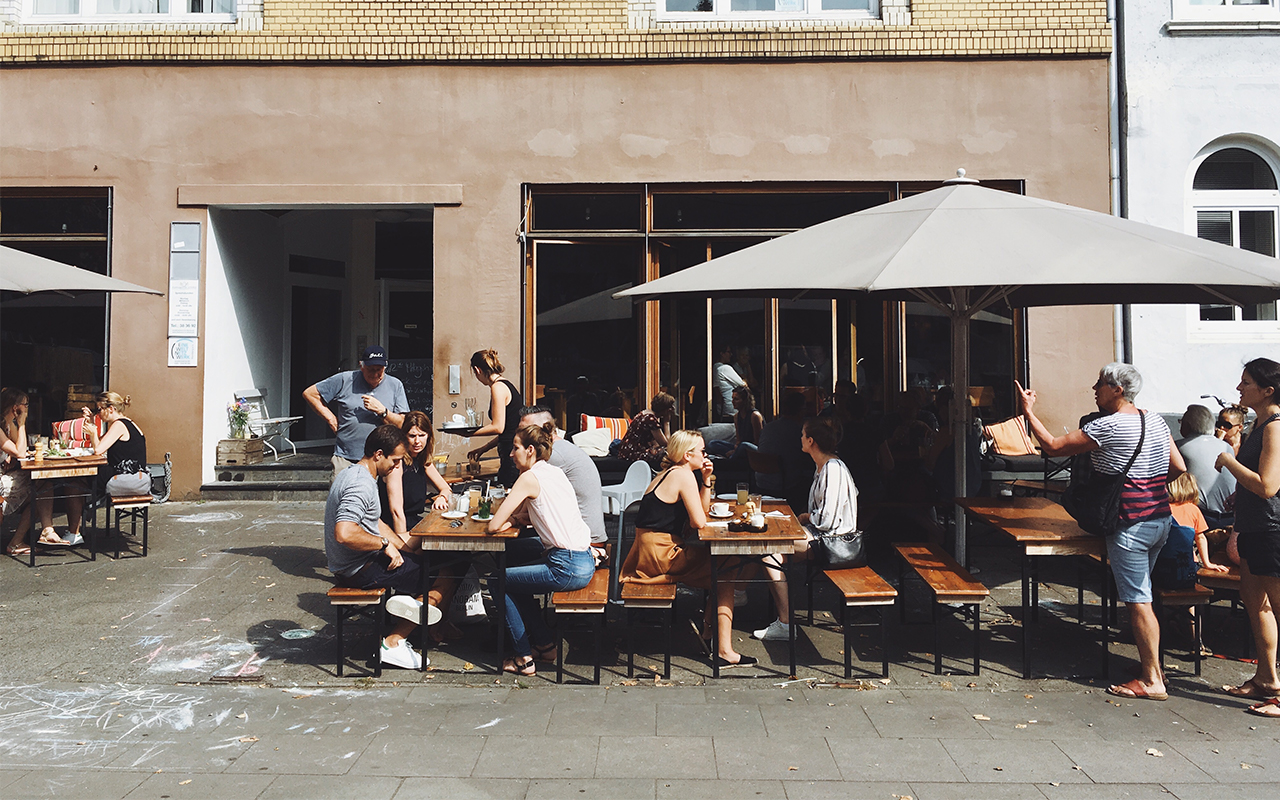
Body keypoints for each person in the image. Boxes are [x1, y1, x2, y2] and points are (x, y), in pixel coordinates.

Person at [1017, 364, 1185, 702]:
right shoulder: (1155, 420)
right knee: (1145, 595)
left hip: (1129, 525)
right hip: (1160, 520)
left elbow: (1052, 446)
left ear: (1117, 390)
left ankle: (1152, 680)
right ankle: (1153, 666)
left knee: (1138, 602)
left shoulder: (1107, 426)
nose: (1094, 389)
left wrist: (1028, 411)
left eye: (1100, 384)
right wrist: (1147, 487)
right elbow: (1179, 467)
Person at [619, 430, 756, 668]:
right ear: (687, 455)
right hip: (662, 554)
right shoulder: (682, 475)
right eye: (702, 451)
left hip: (649, 551)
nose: (706, 454)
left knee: (723, 566)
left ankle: (709, 633)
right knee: (726, 568)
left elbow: (700, 512)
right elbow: (699, 522)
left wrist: (706, 479)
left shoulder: (671, 472)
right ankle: (723, 649)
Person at [325, 424, 442, 670]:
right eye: (395, 460)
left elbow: (375, 522)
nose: (397, 466)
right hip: (357, 570)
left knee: (422, 558)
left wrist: (404, 547)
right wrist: (385, 544)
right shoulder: (361, 484)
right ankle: (394, 642)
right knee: (443, 574)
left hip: (356, 564)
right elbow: (344, 533)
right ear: (378, 454)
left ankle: (411, 610)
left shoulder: (353, 473)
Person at [485, 424, 595, 676]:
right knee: (514, 573)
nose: (511, 454)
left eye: (515, 448)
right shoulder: (555, 472)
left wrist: (510, 519)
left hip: (566, 565)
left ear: (530, 450)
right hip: (584, 559)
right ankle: (545, 645)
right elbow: (528, 514)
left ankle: (524, 658)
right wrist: (517, 518)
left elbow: (493, 526)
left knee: (497, 580)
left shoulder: (528, 478)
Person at [1212, 358, 1280, 716]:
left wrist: (1229, 462)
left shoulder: (1275, 428)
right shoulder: (1259, 424)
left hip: (1272, 529)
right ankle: (1267, 679)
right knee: (1255, 603)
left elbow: (1268, 486)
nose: (1239, 388)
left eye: (1246, 382)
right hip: (1253, 525)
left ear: (1267, 390)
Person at [754, 417, 859, 640]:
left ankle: (783, 622)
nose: (800, 438)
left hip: (834, 542)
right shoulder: (823, 467)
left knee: (769, 546)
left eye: (803, 435)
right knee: (771, 554)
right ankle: (783, 622)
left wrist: (805, 517)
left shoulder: (833, 469)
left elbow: (828, 520)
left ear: (811, 441)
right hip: (824, 537)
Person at [379, 411, 462, 644]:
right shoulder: (397, 464)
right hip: (398, 530)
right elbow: (396, 511)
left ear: (429, 436)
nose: (417, 441)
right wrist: (405, 546)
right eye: (412, 435)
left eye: (422, 435)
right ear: (403, 436)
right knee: (448, 564)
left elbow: (446, 488)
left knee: (459, 560)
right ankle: (424, 623)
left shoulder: (423, 460)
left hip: (417, 525)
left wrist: (441, 497)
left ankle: (437, 621)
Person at [35, 391, 151, 548]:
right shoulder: (128, 423)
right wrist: (91, 423)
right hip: (138, 477)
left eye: (99, 409)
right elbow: (101, 443)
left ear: (110, 409)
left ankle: (74, 533)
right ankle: (82, 518)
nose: (98, 413)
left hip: (123, 478)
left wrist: (93, 432)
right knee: (80, 481)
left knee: (73, 482)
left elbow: (98, 450)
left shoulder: (119, 425)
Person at [303, 345, 408, 480]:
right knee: (343, 492)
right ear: (361, 366)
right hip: (346, 457)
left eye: (379, 370)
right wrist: (331, 419)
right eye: (371, 369)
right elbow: (310, 393)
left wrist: (383, 411)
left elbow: (402, 424)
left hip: (382, 460)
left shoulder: (395, 385)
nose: (375, 374)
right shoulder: (345, 379)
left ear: (385, 367)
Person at [519, 406, 607, 552]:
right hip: (575, 537)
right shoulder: (560, 448)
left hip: (583, 545)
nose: (520, 436)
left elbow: (524, 500)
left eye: (526, 430)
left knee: (509, 550)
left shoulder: (553, 455)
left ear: (545, 430)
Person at [466, 349, 524, 488]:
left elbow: (498, 427)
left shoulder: (497, 387)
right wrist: (483, 449)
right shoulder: (505, 384)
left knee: (506, 493)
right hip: (511, 450)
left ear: (477, 370)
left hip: (510, 454)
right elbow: (509, 429)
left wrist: (467, 433)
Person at [1176, 404, 1236, 529]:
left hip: (1203, 516)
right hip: (1231, 515)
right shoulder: (1227, 446)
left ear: (1187, 425)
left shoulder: (1180, 447)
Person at [755, 392, 815, 512]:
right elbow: (804, 459)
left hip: (761, 481)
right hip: (784, 484)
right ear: (800, 411)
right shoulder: (799, 432)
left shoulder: (768, 427)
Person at [1168, 472, 1228, 575]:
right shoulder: (1193, 509)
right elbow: (1200, 538)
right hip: (1187, 561)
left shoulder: (1163, 509)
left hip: (1164, 559)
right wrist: (1207, 563)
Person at [0, 388, 33, 556]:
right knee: (40, 489)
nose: (27, 409)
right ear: (15, 408)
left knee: (41, 488)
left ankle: (17, 541)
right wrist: (22, 424)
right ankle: (16, 542)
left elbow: (21, 449)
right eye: (25, 405)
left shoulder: (7, 425)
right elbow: (21, 453)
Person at [616, 392, 677, 470]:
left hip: (626, 451)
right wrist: (667, 422)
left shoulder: (644, 413)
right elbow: (665, 444)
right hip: (633, 453)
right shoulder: (650, 419)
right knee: (667, 452)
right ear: (666, 409)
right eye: (671, 407)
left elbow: (655, 441)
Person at [712, 344, 747, 422]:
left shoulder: (714, 368)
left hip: (722, 408)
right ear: (722, 353)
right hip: (732, 406)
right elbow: (744, 385)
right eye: (728, 352)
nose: (731, 355)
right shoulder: (724, 368)